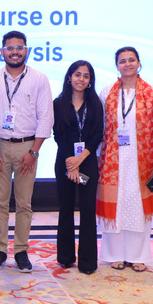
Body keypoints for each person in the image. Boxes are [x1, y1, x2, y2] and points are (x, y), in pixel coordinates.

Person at [0, 31, 53, 272]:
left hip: (27, 147)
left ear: (27, 51)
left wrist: (33, 152)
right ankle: (0, 249)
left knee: (24, 203)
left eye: (19, 47)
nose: (15, 52)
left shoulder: (39, 79)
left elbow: (46, 117)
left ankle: (21, 250)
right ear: (2, 51)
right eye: (10, 48)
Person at [97, 47, 153, 272]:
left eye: (131, 60)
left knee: (138, 206)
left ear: (139, 63)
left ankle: (138, 256)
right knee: (115, 206)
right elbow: (100, 129)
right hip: (112, 161)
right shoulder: (106, 92)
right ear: (116, 65)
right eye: (122, 61)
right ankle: (114, 254)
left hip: (142, 161)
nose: (127, 64)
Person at [53, 61, 103, 274]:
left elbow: (97, 134)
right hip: (65, 162)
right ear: (69, 77)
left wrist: (80, 159)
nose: (81, 79)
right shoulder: (58, 103)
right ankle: (65, 257)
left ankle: (87, 262)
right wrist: (70, 163)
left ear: (90, 80)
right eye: (77, 74)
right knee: (65, 208)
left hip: (87, 162)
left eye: (86, 76)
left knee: (87, 210)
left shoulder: (95, 103)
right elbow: (58, 134)